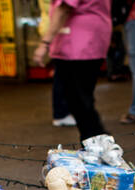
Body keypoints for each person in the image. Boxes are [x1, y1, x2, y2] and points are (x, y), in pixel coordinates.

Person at [33, 0, 113, 142]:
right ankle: (94, 143)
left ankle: (99, 144)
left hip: (77, 44)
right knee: (82, 99)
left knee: (79, 100)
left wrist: (44, 43)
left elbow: (64, 9)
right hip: (92, 41)